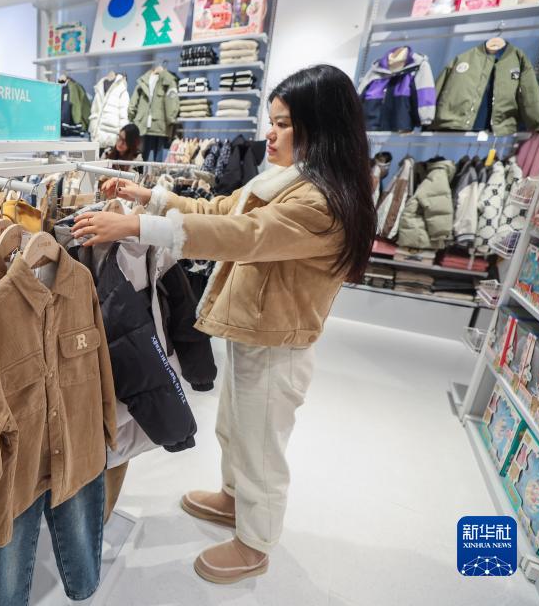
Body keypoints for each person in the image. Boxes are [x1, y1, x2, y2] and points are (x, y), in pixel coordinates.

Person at [71, 64, 376, 584]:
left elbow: (244, 235)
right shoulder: (284, 181)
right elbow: (222, 209)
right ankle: (234, 499)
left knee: (261, 448)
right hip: (255, 332)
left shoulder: (319, 202)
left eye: (283, 124)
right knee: (236, 428)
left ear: (320, 127)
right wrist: (150, 198)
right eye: (272, 122)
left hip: (279, 344)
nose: (269, 134)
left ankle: (256, 541)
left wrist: (137, 225)